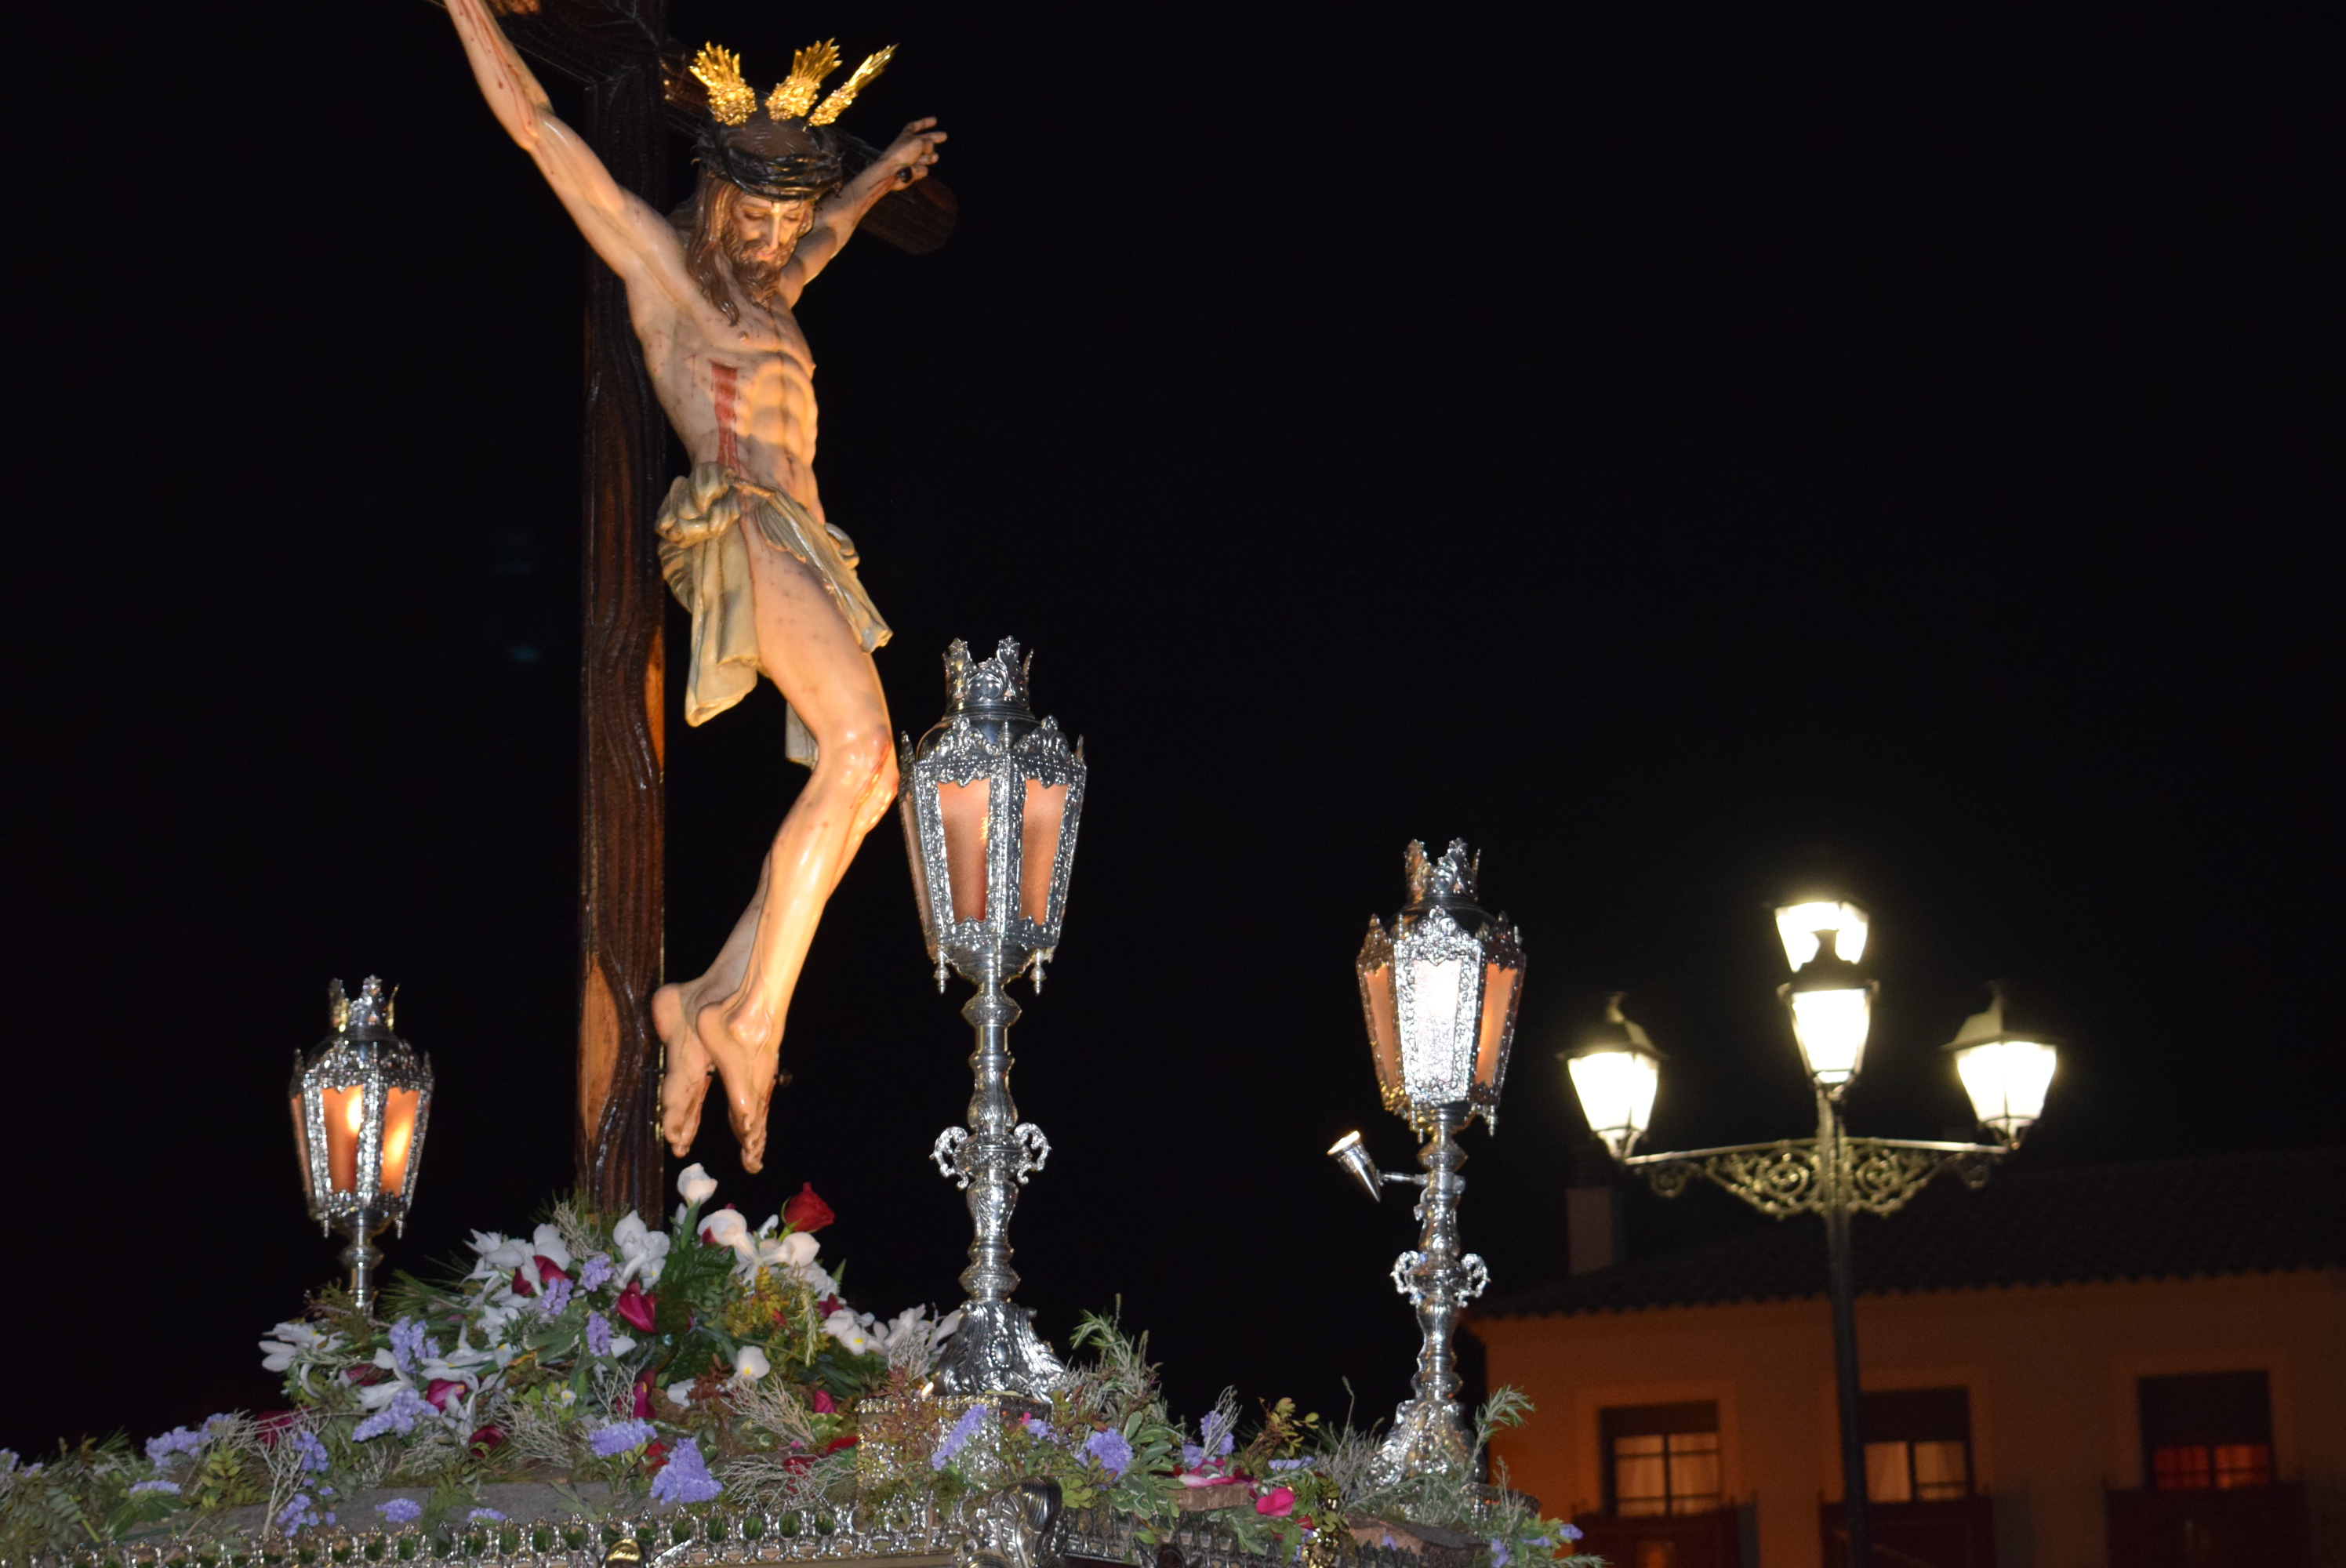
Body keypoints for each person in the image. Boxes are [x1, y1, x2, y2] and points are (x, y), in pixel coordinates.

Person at [447, 1, 946, 1171]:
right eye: (758, 220)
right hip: (737, 520)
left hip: (808, 539)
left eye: (787, 224)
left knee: (872, 779)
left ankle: (704, 1001)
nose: (776, 242)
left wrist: (879, 174)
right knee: (862, 750)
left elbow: (834, 227)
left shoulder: (776, 288)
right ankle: (753, 1018)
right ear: (720, 200)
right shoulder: (669, 271)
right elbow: (538, 129)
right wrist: (470, 9)